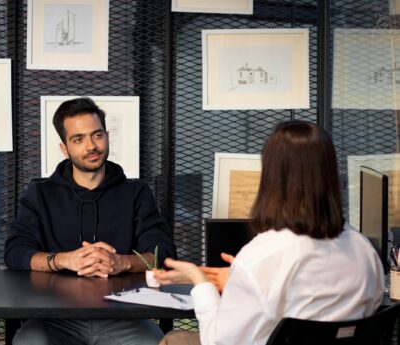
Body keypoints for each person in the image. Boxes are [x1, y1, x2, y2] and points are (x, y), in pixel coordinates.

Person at [155, 120, 385, 345]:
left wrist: (200, 281)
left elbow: (218, 340)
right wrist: (243, 278)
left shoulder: (262, 256)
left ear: (272, 178)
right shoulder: (363, 249)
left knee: (174, 339)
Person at [4, 97, 176, 345]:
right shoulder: (40, 193)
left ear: (107, 136)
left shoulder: (137, 192)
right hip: (54, 316)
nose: (91, 146)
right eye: (78, 139)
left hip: (125, 317)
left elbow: (164, 254)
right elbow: (15, 252)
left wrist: (121, 262)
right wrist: (65, 259)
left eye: (97, 135)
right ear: (64, 148)